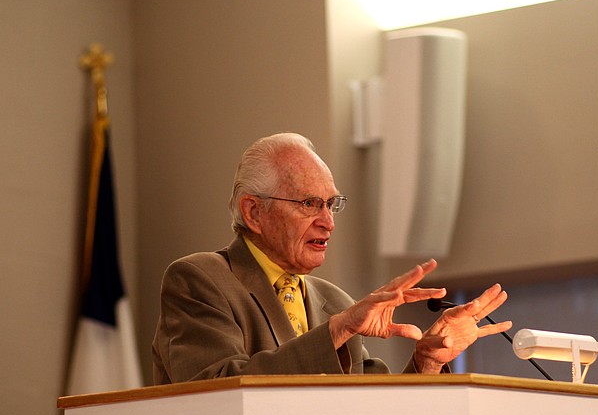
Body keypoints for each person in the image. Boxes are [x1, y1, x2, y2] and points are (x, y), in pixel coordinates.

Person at [152, 132, 511, 383]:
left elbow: (377, 414)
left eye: (332, 204)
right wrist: (337, 330)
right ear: (254, 213)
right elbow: (222, 389)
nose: (327, 222)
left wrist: (426, 361)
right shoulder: (200, 279)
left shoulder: (333, 300)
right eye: (309, 204)